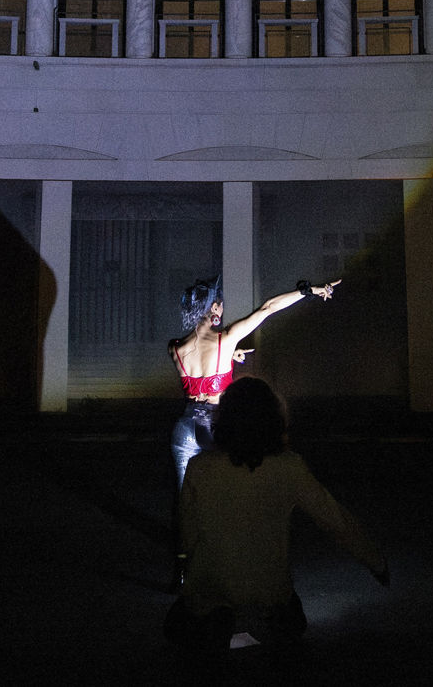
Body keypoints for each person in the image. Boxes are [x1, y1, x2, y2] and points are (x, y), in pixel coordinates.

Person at [165, 376, 389, 651]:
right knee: (292, 619)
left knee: (178, 623)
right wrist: (376, 561)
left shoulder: (199, 467)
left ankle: (222, 622)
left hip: (210, 592)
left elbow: (188, 535)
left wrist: (189, 569)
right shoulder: (289, 467)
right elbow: (334, 520)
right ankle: (259, 623)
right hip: (269, 592)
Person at [167, 276, 339, 490]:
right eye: (221, 305)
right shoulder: (226, 339)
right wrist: (309, 291)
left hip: (184, 428)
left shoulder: (175, 347)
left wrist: (230, 356)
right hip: (214, 427)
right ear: (214, 308)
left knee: (186, 495)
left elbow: (200, 370)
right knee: (224, 493)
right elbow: (268, 308)